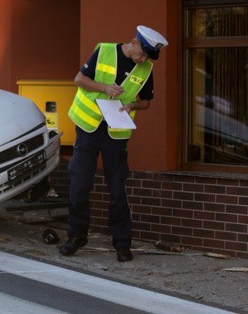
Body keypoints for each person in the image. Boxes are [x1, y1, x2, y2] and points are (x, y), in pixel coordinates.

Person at [60, 25, 168, 262]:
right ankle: (76, 236)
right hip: (88, 128)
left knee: (118, 189)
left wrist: (132, 106)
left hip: (116, 133)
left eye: (148, 57)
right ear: (134, 42)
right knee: (79, 184)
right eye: (142, 54)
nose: (143, 59)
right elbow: (79, 79)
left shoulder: (146, 68)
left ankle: (122, 243)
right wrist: (104, 88)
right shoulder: (105, 51)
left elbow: (146, 102)